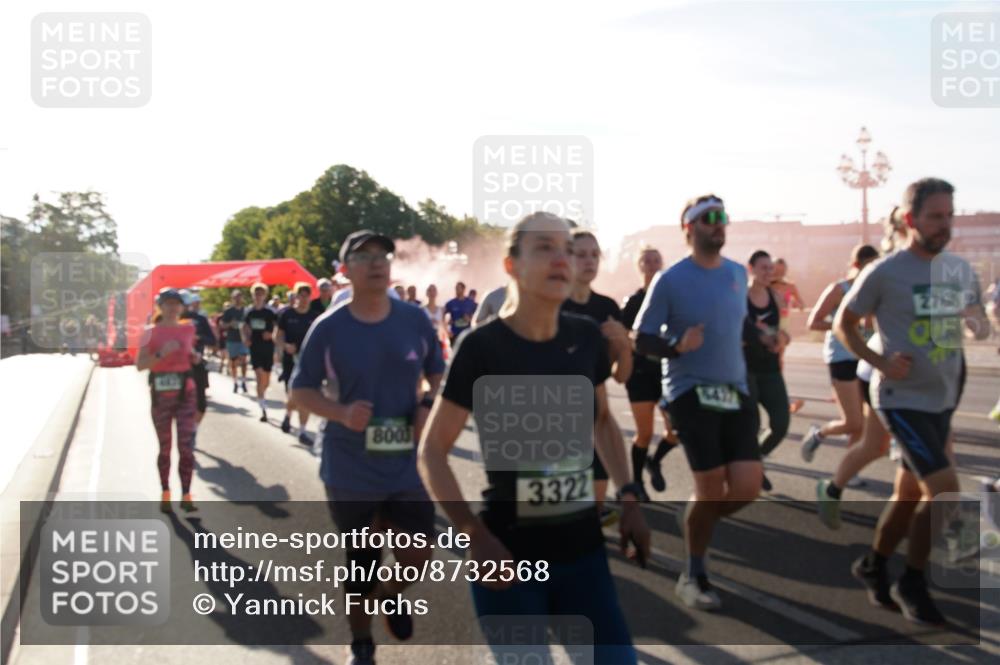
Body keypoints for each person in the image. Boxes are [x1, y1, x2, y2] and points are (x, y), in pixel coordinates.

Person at [418, 212, 650, 665]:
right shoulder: (482, 347)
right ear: (512, 265)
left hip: (583, 553)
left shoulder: (583, 337)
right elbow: (432, 451)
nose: (561, 258)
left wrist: (629, 497)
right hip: (508, 555)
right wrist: (472, 534)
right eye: (544, 247)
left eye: (566, 248)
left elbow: (602, 420)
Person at [835, 178, 989, 625]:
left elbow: (978, 324)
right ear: (910, 219)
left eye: (949, 216)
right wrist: (877, 359)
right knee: (944, 492)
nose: (946, 225)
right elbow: (843, 324)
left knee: (907, 495)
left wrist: (977, 322)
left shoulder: (959, 270)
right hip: (901, 401)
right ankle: (912, 580)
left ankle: (874, 565)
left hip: (942, 399)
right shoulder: (884, 271)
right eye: (935, 217)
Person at [292, 230, 444, 665]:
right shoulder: (329, 328)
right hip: (349, 465)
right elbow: (300, 390)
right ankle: (361, 643)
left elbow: (437, 371)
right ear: (346, 271)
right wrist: (339, 413)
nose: (377, 263)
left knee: (418, 554)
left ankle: (390, 593)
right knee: (362, 559)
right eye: (364, 257)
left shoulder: (414, 319)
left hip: (402, 463)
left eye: (383, 255)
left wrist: (427, 403)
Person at [634, 194, 762, 610]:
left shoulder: (736, 274)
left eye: (722, 217)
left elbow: (740, 321)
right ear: (689, 229)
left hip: (736, 390)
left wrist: (765, 337)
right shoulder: (670, 280)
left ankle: (695, 519)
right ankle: (693, 574)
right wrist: (677, 345)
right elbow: (643, 338)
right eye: (708, 218)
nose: (718, 224)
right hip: (690, 391)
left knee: (747, 487)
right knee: (710, 487)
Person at [562, 229, 634, 522]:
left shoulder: (607, 308)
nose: (589, 261)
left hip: (594, 422)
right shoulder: (550, 306)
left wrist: (624, 346)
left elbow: (620, 376)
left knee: (592, 512)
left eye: (594, 255)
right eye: (581, 255)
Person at [800, 244, 881, 478]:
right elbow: (813, 322)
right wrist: (843, 325)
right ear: (856, 266)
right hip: (842, 357)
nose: (873, 271)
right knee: (853, 422)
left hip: (866, 358)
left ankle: (849, 472)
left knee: (863, 422)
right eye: (869, 266)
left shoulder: (875, 291)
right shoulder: (839, 289)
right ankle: (819, 434)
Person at [621, 246, 679, 498]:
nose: (653, 264)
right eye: (647, 260)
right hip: (640, 374)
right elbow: (623, 337)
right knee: (645, 433)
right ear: (640, 266)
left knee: (675, 432)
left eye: (657, 260)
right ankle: (637, 484)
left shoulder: (672, 299)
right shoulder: (633, 302)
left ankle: (654, 462)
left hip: (667, 375)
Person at [135, 288, 200, 514]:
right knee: (165, 447)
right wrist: (161, 353)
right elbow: (140, 365)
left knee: (186, 446)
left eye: (176, 304)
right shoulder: (149, 333)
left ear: (182, 307)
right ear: (159, 307)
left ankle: (187, 493)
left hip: (186, 393)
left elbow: (191, 353)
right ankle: (165, 491)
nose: (173, 308)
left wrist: (194, 356)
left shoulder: (189, 329)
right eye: (168, 304)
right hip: (162, 394)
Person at [742, 250, 791, 492]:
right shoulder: (740, 298)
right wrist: (755, 338)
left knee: (781, 423)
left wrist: (781, 339)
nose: (768, 273)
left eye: (770, 268)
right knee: (752, 424)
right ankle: (750, 469)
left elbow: (786, 332)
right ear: (750, 269)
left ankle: (756, 459)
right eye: (763, 268)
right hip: (745, 369)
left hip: (771, 369)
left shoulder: (777, 298)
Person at [275, 281, 320, 445]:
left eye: (306, 295)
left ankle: (302, 431)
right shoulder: (287, 315)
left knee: (306, 395)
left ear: (310, 297)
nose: (303, 298)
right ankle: (288, 415)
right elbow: (278, 336)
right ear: (295, 296)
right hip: (290, 360)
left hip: (309, 362)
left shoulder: (315, 317)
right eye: (300, 295)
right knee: (293, 394)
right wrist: (285, 346)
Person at [179, 290, 217, 430]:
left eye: (184, 303)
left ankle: (193, 431)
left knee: (200, 405)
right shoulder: (168, 321)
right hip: (175, 367)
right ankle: (184, 433)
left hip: (196, 364)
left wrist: (198, 338)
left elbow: (212, 340)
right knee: (178, 404)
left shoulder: (200, 319)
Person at [243, 282, 278, 423]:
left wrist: (271, 335)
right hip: (255, 347)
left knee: (266, 380)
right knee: (259, 376)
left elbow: (277, 328)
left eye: (261, 294)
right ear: (253, 296)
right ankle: (263, 407)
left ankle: (261, 393)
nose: (258, 296)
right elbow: (244, 326)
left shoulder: (270, 312)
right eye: (256, 294)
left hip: (268, 348)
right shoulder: (249, 312)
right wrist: (245, 338)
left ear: (265, 296)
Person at [221, 291, 249, 392]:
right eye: (235, 297)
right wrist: (230, 324)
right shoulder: (228, 311)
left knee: (244, 361)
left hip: (243, 340)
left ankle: (244, 381)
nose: (237, 299)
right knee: (233, 363)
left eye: (239, 297)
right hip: (232, 339)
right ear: (232, 298)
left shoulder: (246, 311)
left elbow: (249, 325)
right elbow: (222, 325)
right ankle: (235, 382)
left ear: (242, 298)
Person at [444, 281, 477, 346]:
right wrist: (447, 328)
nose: (456, 290)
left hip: (467, 334)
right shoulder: (451, 303)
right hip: (454, 334)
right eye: (456, 288)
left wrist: (470, 318)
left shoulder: (470, 302)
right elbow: (442, 315)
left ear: (463, 289)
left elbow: (479, 315)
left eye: (458, 288)